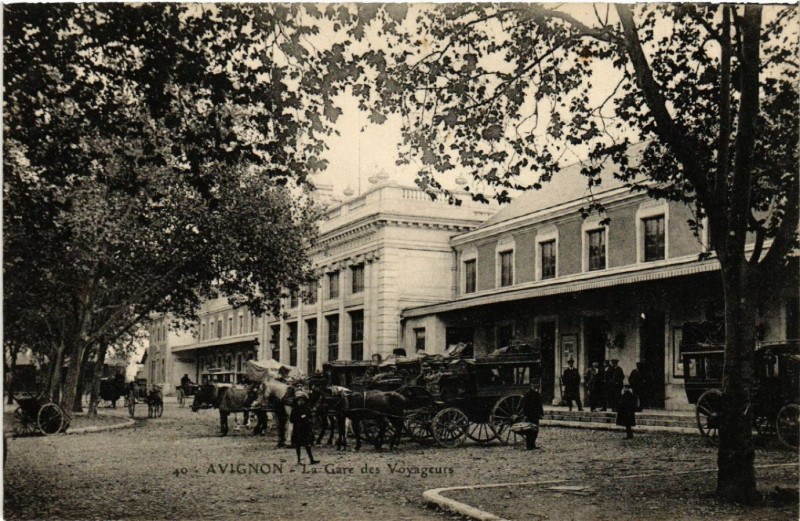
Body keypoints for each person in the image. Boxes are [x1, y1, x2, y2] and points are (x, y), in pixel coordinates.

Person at [289, 392, 319, 465]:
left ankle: (311, 459)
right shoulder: (294, 410)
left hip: (306, 429)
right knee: (298, 445)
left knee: (307, 445)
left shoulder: (307, 409)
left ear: (305, 401)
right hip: (298, 429)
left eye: (302, 400)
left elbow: (310, 417)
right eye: (299, 400)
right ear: (296, 401)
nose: (301, 402)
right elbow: (291, 419)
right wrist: (300, 418)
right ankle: (299, 460)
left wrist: (308, 420)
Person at [520, 385, 544, 450]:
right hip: (530, 415)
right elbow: (525, 406)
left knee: (535, 431)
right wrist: (525, 415)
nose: (536, 388)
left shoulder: (538, 394)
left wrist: (541, 413)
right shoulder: (528, 394)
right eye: (535, 386)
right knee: (529, 430)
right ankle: (529, 446)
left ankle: (533, 444)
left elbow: (540, 405)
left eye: (537, 386)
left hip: (536, 415)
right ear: (532, 386)